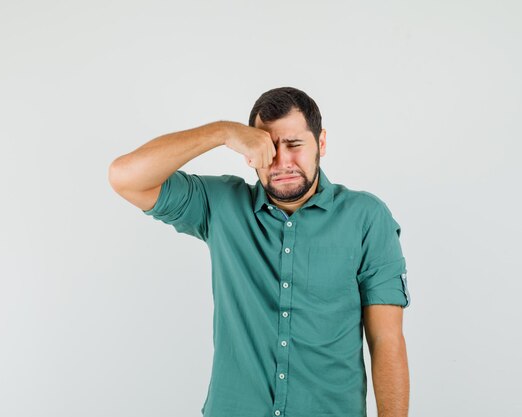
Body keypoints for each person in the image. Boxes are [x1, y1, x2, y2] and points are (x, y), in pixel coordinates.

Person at [108, 86, 411, 417]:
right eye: (267, 148)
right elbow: (125, 176)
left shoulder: (366, 218)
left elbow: (386, 342)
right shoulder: (220, 205)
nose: (281, 161)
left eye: (294, 145)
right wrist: (222, 132)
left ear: (321, 143)